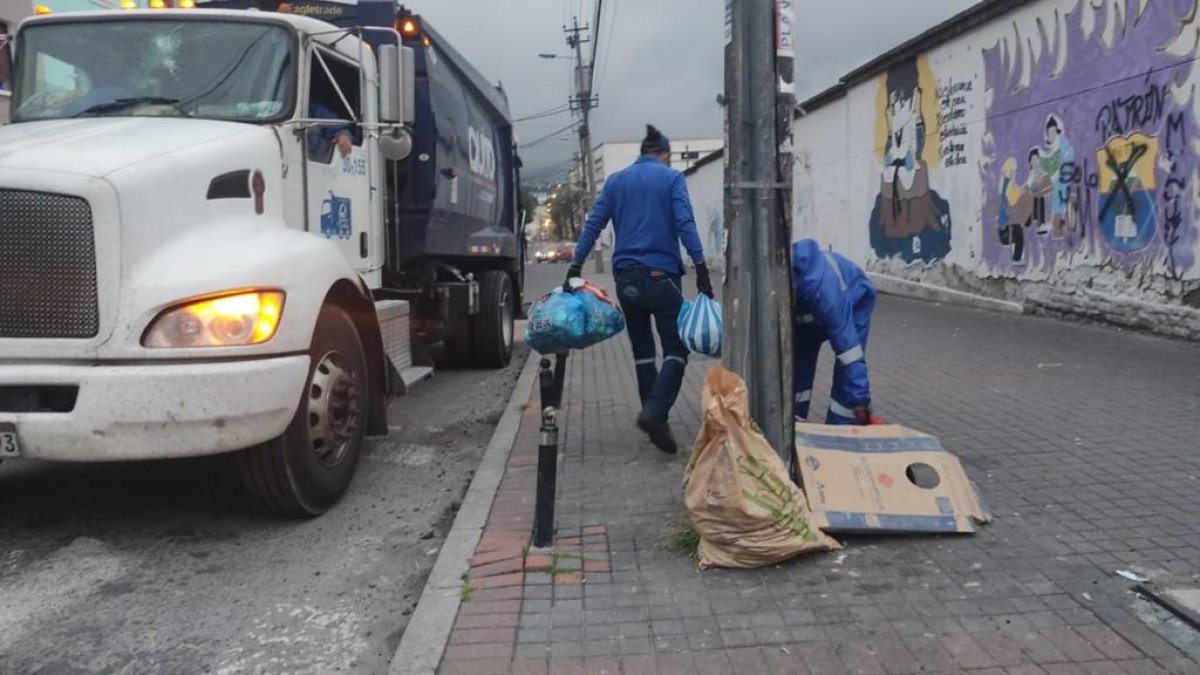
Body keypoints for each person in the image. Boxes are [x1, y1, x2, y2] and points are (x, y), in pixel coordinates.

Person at [567, 124, 712, 453]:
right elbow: (684, 222)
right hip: (662, 277)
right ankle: (654, 411)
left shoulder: (616, 181)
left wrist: (576, 264)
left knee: (643, 351)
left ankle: (654, 419)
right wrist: (701, 266)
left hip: (626, 280)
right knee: (676, 349)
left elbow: (594, 223)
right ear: (664, 155)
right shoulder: (671, 178)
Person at [791, 239, 882, 426]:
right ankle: (794, 426)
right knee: (797, 372)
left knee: (846, 380)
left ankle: (841, 436)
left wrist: (860, 398)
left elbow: (847, 347)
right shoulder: (780, 281)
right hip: (807, 317)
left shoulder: (823, 289)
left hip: (855, 300)